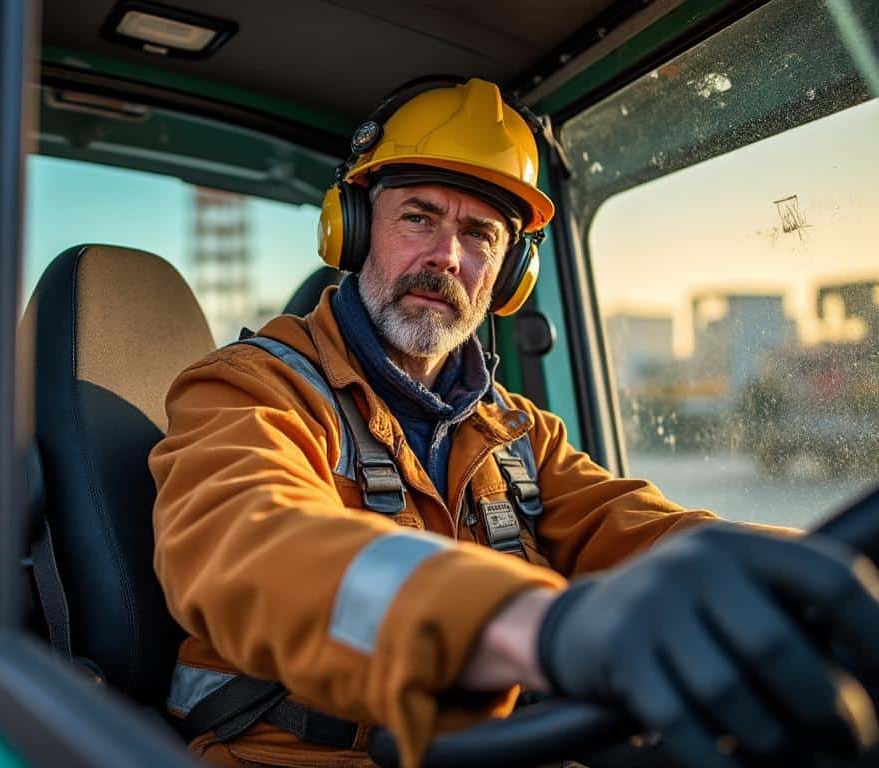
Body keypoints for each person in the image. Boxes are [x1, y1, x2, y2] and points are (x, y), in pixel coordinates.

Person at [148, 77, 879, 768]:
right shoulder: (250, 391)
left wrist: (818, 581)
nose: (446, 258)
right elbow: (252, 544)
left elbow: (643, 531)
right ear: (354, 228)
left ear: (509, 275)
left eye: (481, 237)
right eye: (418, 218)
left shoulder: (519, 431)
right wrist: (538, 627)